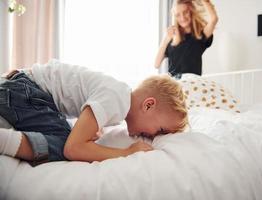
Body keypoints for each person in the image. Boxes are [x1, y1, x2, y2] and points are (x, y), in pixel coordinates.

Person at [0, 59, 188, 165]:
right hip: (24, 91)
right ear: (148, 105)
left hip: (20, 88)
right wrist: (127, 153)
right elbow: (73, 148)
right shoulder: (117, 99)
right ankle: (3, 141)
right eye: (161, 130)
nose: (155, 135)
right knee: (63, 144)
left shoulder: (118, 96)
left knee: (66, 132)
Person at [154, 0, 218, 78]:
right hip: (174, 85)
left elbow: (214, 19)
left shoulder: (200, 35)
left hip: (192, 83)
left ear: (191, 11)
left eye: (185, 12)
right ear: (175, 17)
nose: (182, 17)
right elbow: (156, 64)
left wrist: (204, 1)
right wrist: (166, 38)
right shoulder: (172, 39)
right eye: (178, 15)